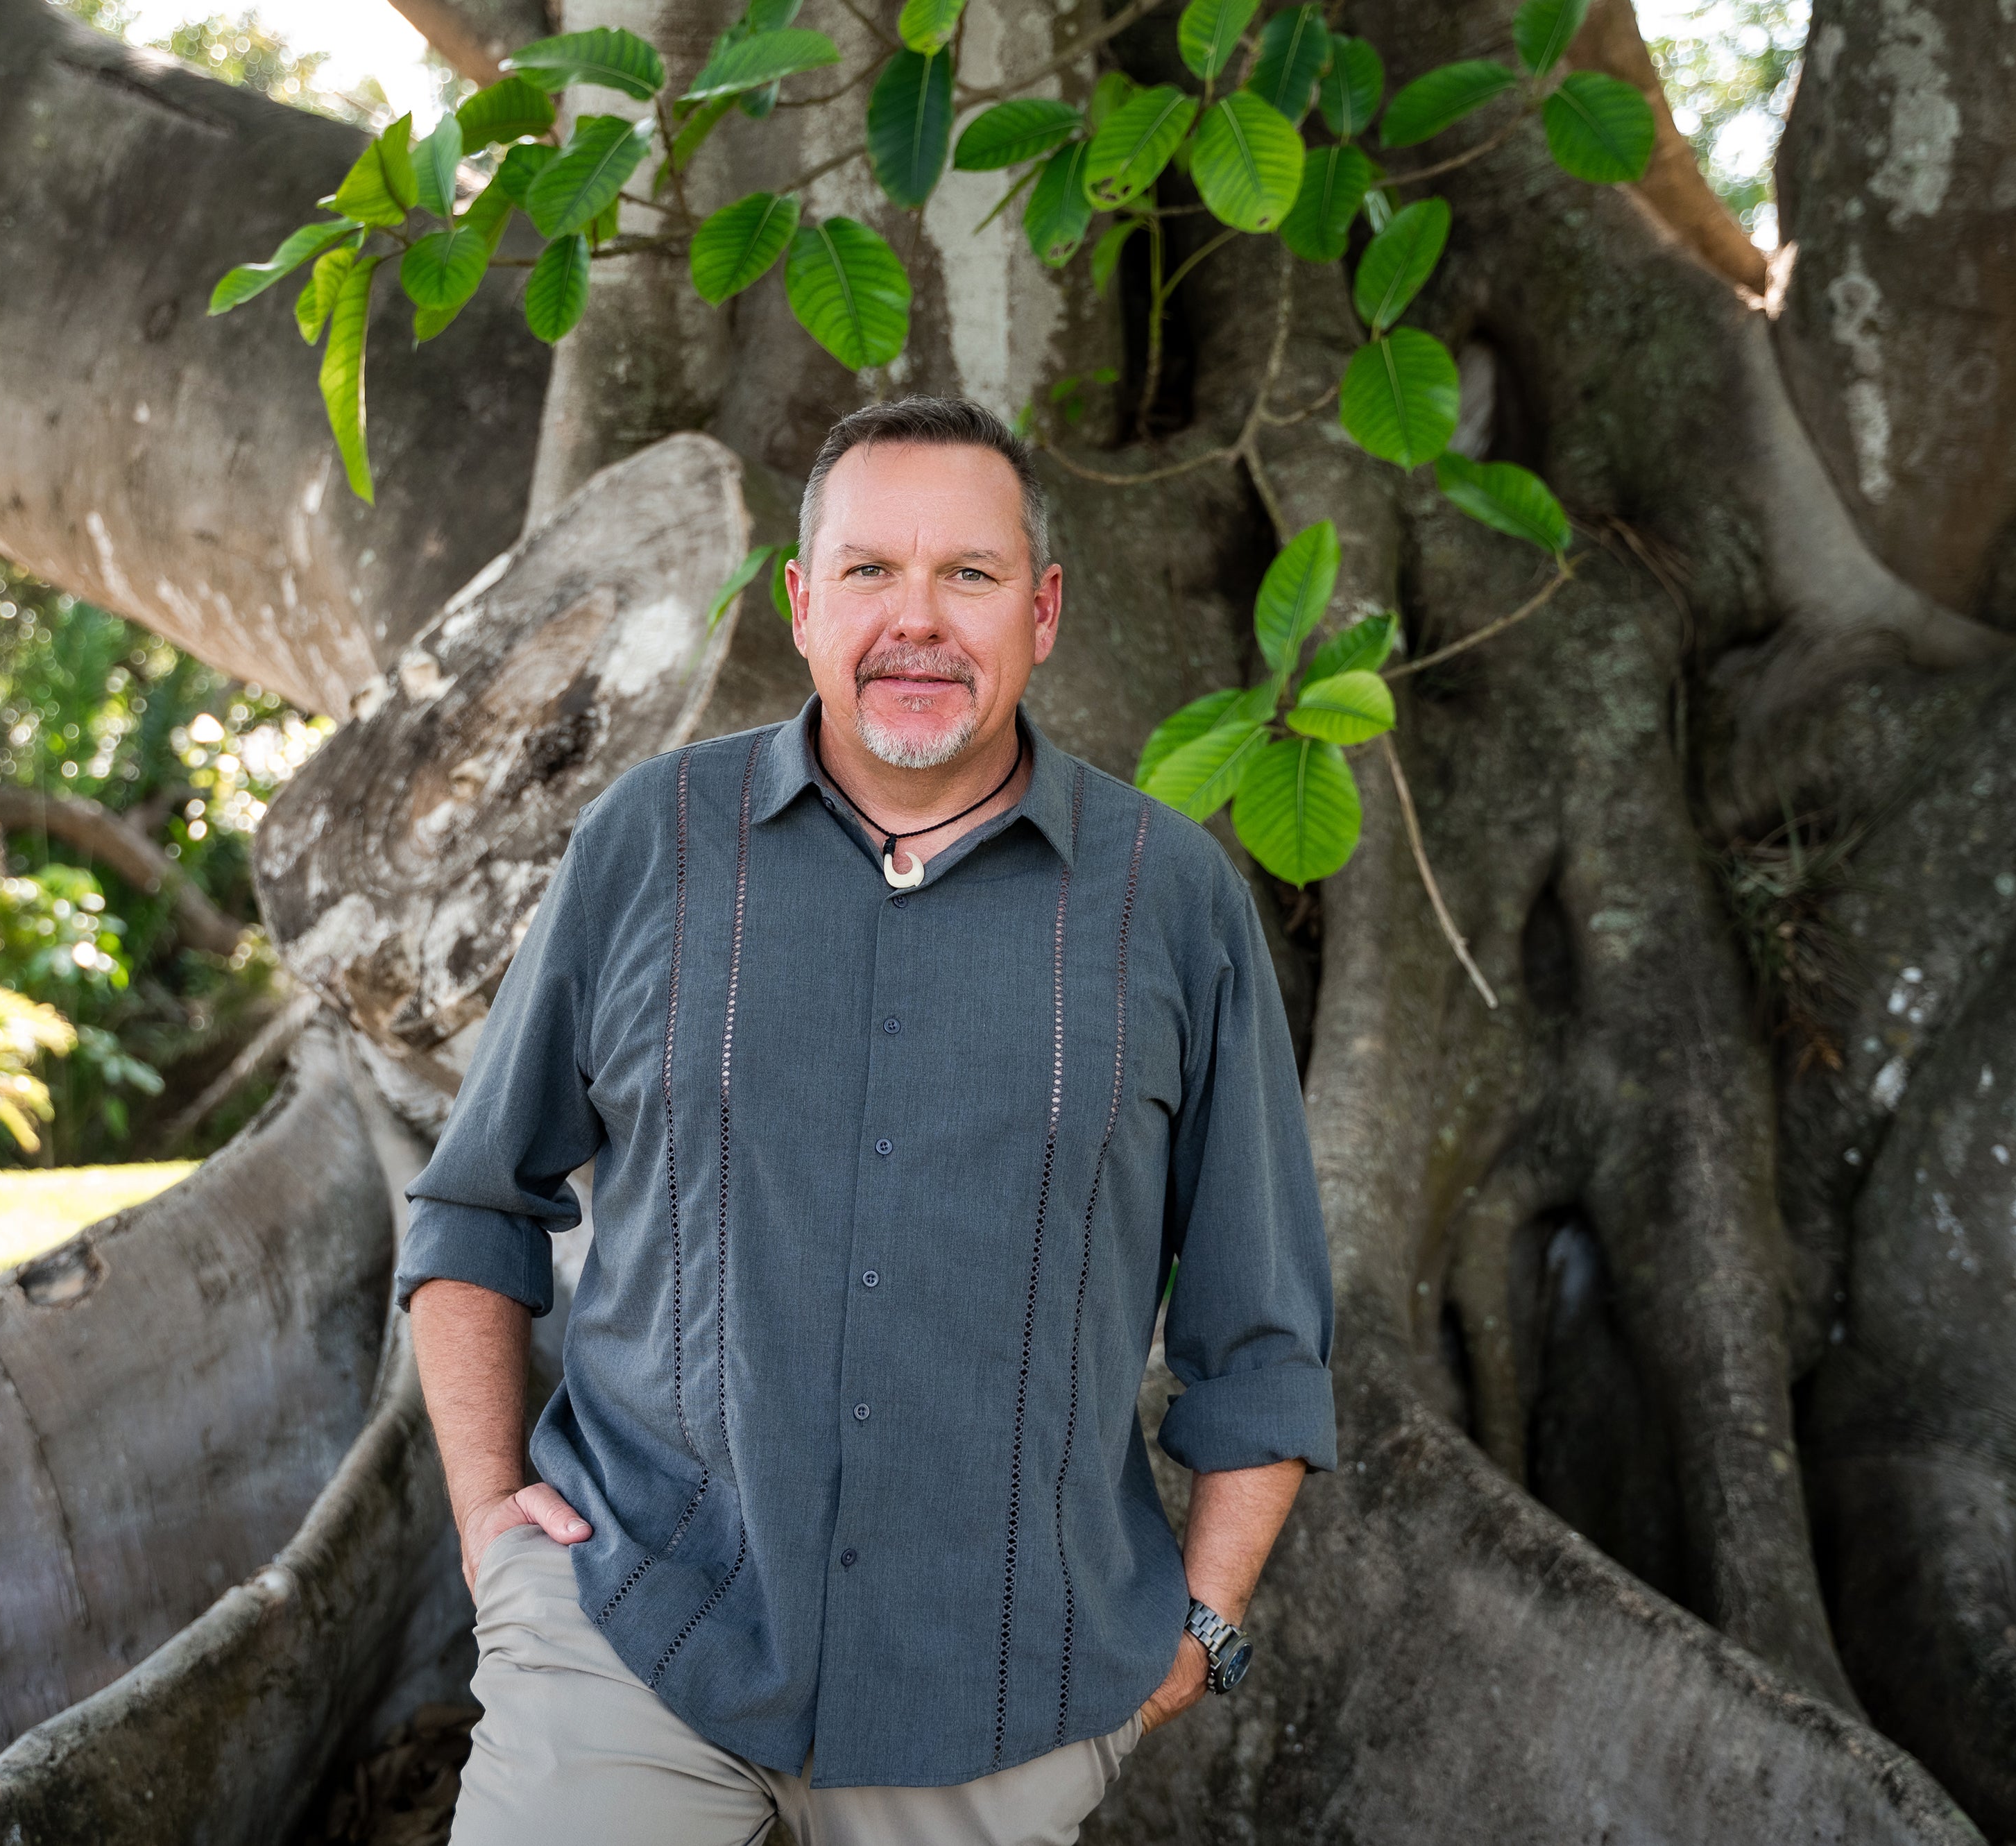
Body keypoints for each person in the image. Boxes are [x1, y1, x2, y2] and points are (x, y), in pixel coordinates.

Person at [398, 396, 1336, 1846]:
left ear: (1042, 609)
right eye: (866, 571)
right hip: (636, 1628)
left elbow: (1258, 1323)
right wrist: (487, 1528)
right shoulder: (649, 841)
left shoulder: (1173, 902)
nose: (917, 620)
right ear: (798, 602)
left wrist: (1197, 1633)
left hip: (1007, 1694)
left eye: (966, 574)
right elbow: (472, 1210)